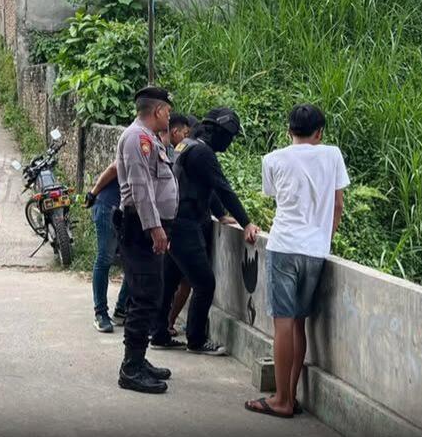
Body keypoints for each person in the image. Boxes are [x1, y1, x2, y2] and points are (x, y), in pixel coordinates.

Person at [245, 104, 349, 418]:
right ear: (320, 132)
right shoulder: (332, 155)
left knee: (283, 325)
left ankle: (281, 400)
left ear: (288, 130)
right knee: (299, 323)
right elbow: (338, 205)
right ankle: (290, 395)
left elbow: (274, 194)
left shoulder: (273, 159)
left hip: (285, 245)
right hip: (315, 251)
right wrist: (324, 239)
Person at [151, 108, 260, 355]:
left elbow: (204, 185)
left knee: (168, 282)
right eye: (229, 138)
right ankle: (196, 340)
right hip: (185, 225)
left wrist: (220, 214)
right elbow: (222, 187)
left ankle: (158, 333)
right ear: (220, 134)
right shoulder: (202, 152)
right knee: (205, 283)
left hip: (174, 222)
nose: (229, 144)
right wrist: (247, 223)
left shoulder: (186, 146)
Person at [115, 86, 178, 394]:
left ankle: (139, 359)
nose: (169, 114)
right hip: (141, 229)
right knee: (144, 297)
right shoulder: (137, 138)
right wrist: (155, 228)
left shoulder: (149, 138)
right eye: (167, 110)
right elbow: (141, 188)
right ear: (157, 111)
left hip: (147, 227)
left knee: (150, 293)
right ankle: (131, 368)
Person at [84, 161, 130, 333]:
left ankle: (121, 310)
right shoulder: (138, 140)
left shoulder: (159, 150)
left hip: (128, 211)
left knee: (132, 262)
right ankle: (101, 314)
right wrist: (93, 193)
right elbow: (114, 168)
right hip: (108, 207)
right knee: (105, 258)